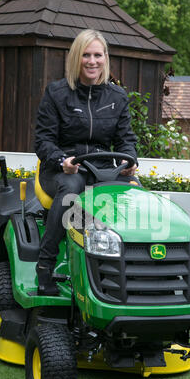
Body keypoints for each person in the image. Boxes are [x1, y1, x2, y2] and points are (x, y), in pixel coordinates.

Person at [35, 29, 138, 296]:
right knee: (71, 191)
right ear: (76, 59)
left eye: (97, 55)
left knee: (136, 192)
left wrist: (130, 160)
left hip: (103, 168)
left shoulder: (117, 97)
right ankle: (45, 267)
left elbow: (126, 139)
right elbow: (43, 141)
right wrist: (61, 160)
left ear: (105, 58)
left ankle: (131, 268)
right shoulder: (57, 93)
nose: (92, 61)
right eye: (86, 55)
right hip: (63, 168)